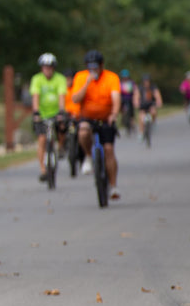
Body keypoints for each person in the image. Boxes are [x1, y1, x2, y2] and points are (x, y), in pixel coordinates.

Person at [67, 49, 122, 199]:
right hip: (87, 118)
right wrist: (87, 83)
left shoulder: (111, 77)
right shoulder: (81, 77)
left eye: (96, 67)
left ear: (102, 65)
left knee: (109, 149)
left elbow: (116, 98)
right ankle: (89, 156)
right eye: (90, 67)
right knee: (83, 132)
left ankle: (113, 186)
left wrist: (114, 114)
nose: (93, 70)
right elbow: (75, 99)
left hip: (105, 118)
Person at [29, 52, 69, 180]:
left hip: (56, 112)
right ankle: (43, 169)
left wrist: (61, 112)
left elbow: (61, 96)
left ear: (54, 68)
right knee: (42, 140)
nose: (48, 70)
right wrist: (36, 112)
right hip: (42, 113)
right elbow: (36, 96)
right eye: (45, 67)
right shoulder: (37, 79)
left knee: (62, 128)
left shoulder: (60, 79)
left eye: (50, 67)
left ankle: (61, 146)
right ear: (41, 68)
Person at [118, 69, 136, 134]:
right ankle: (123, 119)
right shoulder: (119, 83)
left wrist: (135, 99)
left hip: (130, 99)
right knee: (122, 110)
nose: (125, 78)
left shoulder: (131, 82)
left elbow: (135, 91)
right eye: (124, 76)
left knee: (131, 112)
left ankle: (132, 123)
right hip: (123, 99)